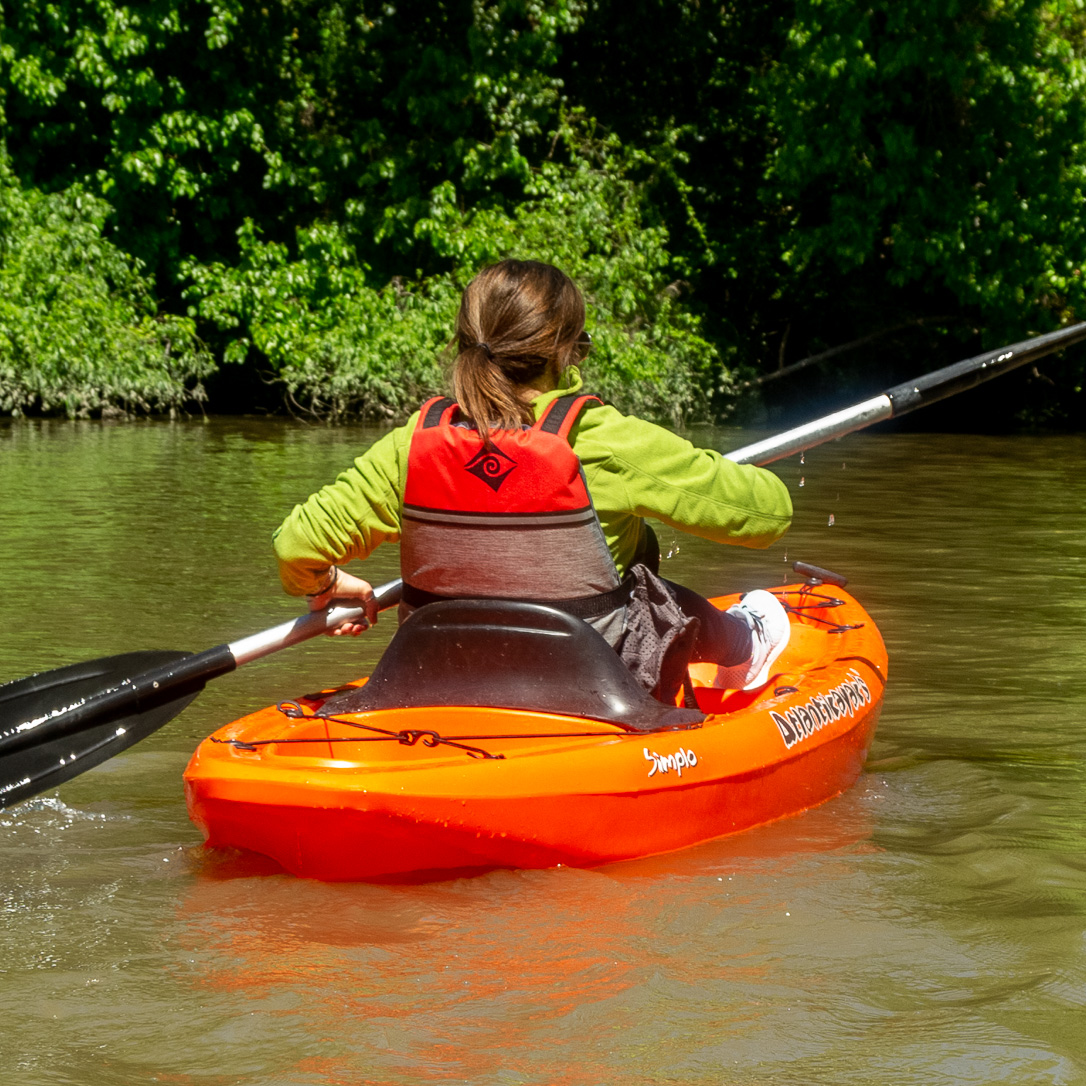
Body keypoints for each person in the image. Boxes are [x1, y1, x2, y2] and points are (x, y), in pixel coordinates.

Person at [273, 259, 793, 696]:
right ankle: (744, 646)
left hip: (444, 681)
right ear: (567, 350)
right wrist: (697, 468)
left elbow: (296, 546)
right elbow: (768, 516)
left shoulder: (415, 442)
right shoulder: (603, 438)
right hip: (588, 690)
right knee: (649, 587)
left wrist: (326, 583)